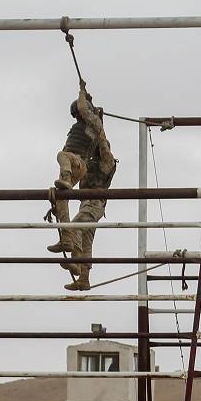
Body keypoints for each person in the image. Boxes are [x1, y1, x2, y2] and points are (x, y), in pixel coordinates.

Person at [47, 81, 117, 291]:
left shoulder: (107, 162)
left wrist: (86, 101)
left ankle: (69, 240)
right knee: (86, 242)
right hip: (87, 205)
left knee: (77, 227)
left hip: (95, 205)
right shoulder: (88, 162)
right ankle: (83, 276)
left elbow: (101, 140)